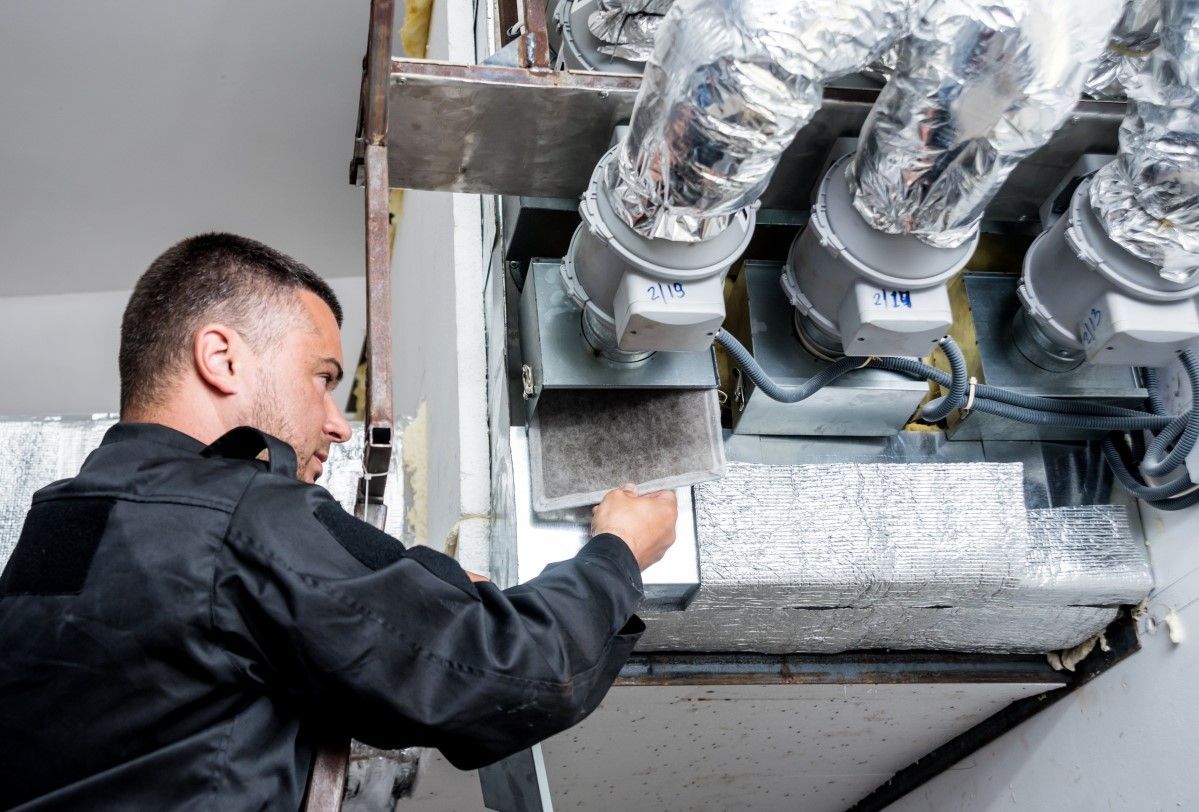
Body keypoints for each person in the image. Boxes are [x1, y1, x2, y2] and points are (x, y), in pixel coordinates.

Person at [0, 233, 678, 810]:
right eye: (321, 377)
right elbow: (507, 674)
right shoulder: (240, 514)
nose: (337, 425)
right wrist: (618, 553)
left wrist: (418, 586)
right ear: (222, 357)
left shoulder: (57, 529)